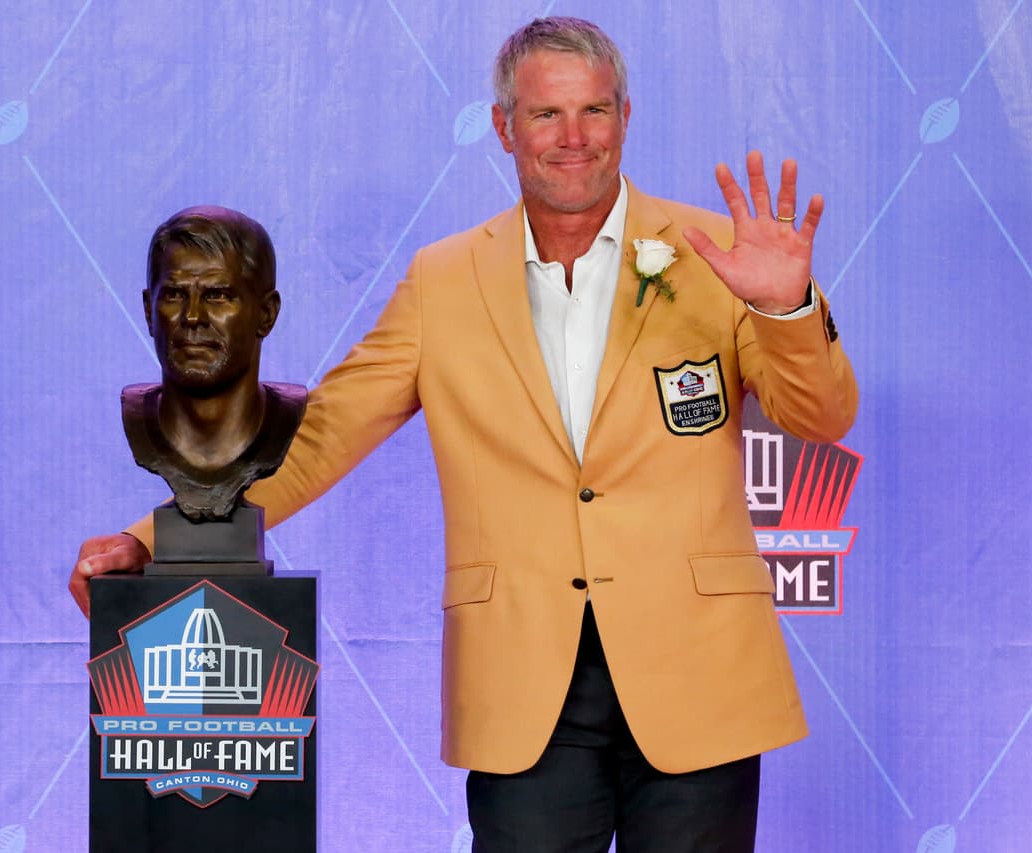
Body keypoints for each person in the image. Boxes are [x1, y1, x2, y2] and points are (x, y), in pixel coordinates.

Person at [71, 17, 857, 851]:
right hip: (525, 686)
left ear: (626, 116)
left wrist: (786, 307)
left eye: (594, 110)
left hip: (701, 676)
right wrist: (144, 540)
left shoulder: (717, 253)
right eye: (546, 115)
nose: (574, 138)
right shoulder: (443, 281)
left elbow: (821, 416)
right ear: (503, 127)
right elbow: (322, 435)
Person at [119, 205, 306, 523]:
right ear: (149, 312)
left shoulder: (287, 418)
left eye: (218, 295)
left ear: (266, 314)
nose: (192, 317)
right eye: (175, 295)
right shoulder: (139, 418)